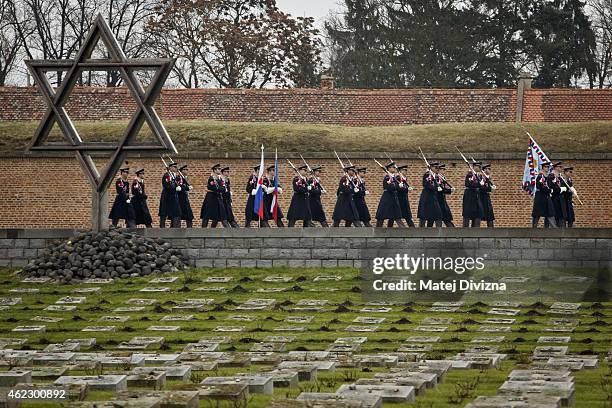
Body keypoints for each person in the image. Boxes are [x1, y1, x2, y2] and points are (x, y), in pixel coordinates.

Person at [375, 162, 405, 227]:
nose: (394, 168)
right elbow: (388, 187)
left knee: (396, 215)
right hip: (387, 198)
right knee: (382, 215)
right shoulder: (387, 177)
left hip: (394, 198)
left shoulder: (395, 177)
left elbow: (398, 187)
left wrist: (402, 186)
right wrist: (398, 186)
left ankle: (400, 230)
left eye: (394, 167)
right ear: (389, 169)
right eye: (393, 167)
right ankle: (378, 229)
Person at [200, 163, 229, 228]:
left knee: (222, 215)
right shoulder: (211, 178)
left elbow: (224, 188)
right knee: (207, 214)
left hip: (218, 197)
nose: (219, 170)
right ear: (214, 170)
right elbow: (213, 187)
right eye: (218, 169)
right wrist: (220, 189)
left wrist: (219, 189)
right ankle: (203, 230)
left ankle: (226, 231)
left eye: (220, 169)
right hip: (211, 198)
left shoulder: (221, 178)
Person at [532, 161, 557, 228]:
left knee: (550, 213)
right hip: (540, 197)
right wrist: (550, 190)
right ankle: (534, 228)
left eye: (548, 167)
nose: (547, 168)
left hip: (546, 197)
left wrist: (554, 182)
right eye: (546, 167)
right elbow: (542, 186)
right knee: (537, 214)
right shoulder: (540, 176)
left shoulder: (548, 177)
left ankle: (554, 228)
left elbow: (551, 185)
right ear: (542, 168)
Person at [417, 162, 443, 227]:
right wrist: (436, 188)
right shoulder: (427, 175)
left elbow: (440, 186)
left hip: (433, 197)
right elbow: (426, 184)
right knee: (424, 215)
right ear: (431, 168)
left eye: (438, 168)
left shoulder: (436, 176)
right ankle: (421, 230)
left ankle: (435, 231)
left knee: (436, 215)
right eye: (436, 167)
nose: (437, 169)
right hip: (427, 197)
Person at [159, 162, 181, 228]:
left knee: (176, 212)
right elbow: (166, 185)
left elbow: (178, 183)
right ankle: (162, 228)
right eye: (174, 167)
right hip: (167, 196)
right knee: (164, 213)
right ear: (170, 168)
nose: (176, 168)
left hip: (173, 196)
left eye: (176, 167)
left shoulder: (176, 176)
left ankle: (175, 227)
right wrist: (174, 188)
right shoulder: (167, 175)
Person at [462, 161, 485, 228]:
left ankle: (475, 228)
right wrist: (479, 184)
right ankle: (465, 229)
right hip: (469, 195)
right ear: (474, 166)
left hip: (476, 195)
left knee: (478, 213)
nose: (480, 168)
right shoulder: (470, 174)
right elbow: (468, 184)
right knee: (467, 213)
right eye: (479, 166)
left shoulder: (478, 175)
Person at [549, 161, 567, 228]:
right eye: (560, 167)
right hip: (554, 198)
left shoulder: (560, 177)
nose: (561, 168)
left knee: (561, 215)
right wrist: (560, 189)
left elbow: (565, 186)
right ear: (555, 167)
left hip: (560, 199)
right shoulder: (551, 176)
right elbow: (552, 186)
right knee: (554, 215)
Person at [479, 163, 495, 228]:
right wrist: (490, 189)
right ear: (484, 170)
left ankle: (492, 231)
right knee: (479, 216)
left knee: (490, 215)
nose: (489, 170)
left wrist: (491, 187)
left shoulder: (488, 178)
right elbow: (481, 187)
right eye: (488, 169)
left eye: (489, 169)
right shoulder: (480, 177)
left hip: (487, 198)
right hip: (481, 198)